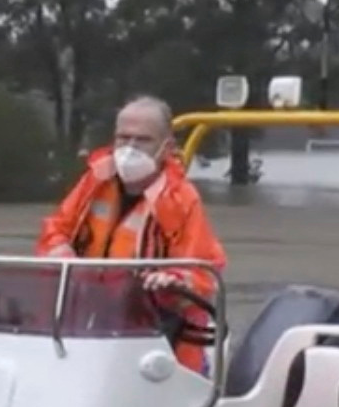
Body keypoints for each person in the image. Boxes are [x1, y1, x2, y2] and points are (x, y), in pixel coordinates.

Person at [39, 94, 229, 371]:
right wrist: (60, 249)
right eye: (123, 138)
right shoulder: (95, 181)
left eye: (142, 140)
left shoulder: (180, 199)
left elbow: (202, 269)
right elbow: (55, 228)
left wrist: (172, 280)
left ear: (167, 147)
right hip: (90, 324)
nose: (130, 148)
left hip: (160, 338)